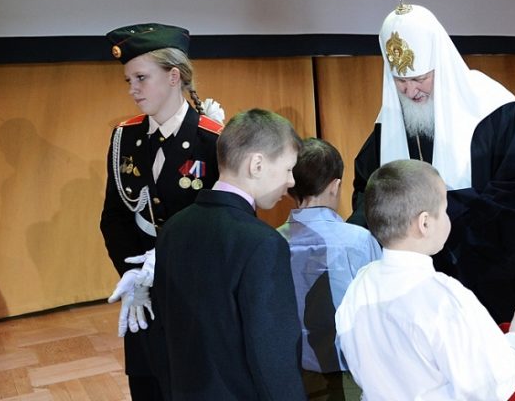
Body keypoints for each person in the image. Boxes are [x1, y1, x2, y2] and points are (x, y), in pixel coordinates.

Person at [350, 0, 515, 323]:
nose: (411, 91)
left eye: (420, 78)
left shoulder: (491, 107)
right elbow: (368, 186)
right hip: (417, 279)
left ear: (440, 66)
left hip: (485, 269)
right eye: (400, 81)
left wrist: (449, 213)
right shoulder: (391, 121)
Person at [336, 159, 515, 401]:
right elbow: (487, 385)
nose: (448, 217)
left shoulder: (360, 283)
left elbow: (349, 351)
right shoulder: (444, 298)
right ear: (424, 223)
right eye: (445, 209)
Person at [100, 22, 224, 401]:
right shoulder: (125, 137)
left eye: (141, 78)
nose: (133, 89)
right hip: (144, 299)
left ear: (173, 77)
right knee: (149, 385)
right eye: (128, 81)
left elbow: (224, 225)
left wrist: (171, 263)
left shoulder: (212, 139)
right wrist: (132, 275)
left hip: (197, 295)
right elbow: (114, 217)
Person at [152, 108, 307, 400]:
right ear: (257, 164)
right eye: (288, 169)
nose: (291, 182)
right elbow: (273, 355)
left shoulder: (173, 228)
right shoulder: (263, 243)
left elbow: (163, 333)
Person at [277, 138, 382, 400]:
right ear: (335, 186)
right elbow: (379, 311)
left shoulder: (273, 241)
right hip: (352, 372)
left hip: (292, 372)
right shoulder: (360, 240)